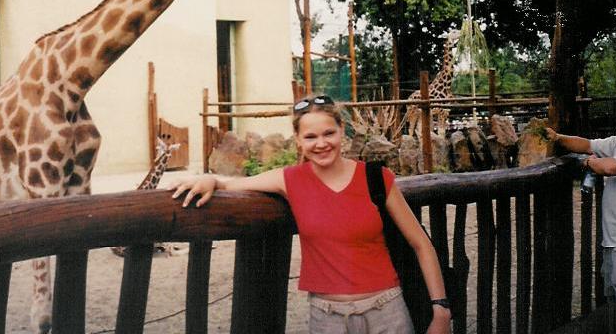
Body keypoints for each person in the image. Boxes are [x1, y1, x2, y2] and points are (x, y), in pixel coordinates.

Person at [171, 94, 451, 334]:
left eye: (329, 133)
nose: (321, 143)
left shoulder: (377, 178)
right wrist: (210, 179)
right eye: (311, 137)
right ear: (298, 140)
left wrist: (441, 311)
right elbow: (229, 184)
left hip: (386, 311)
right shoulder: (289, 180)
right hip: (327, 317)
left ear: (342, 130)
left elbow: (420, 244)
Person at [547, 83, 616, 331]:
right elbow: (587, 144)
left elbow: (611, 168)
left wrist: (587, 163)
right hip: (615, 240)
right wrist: (557, 138)